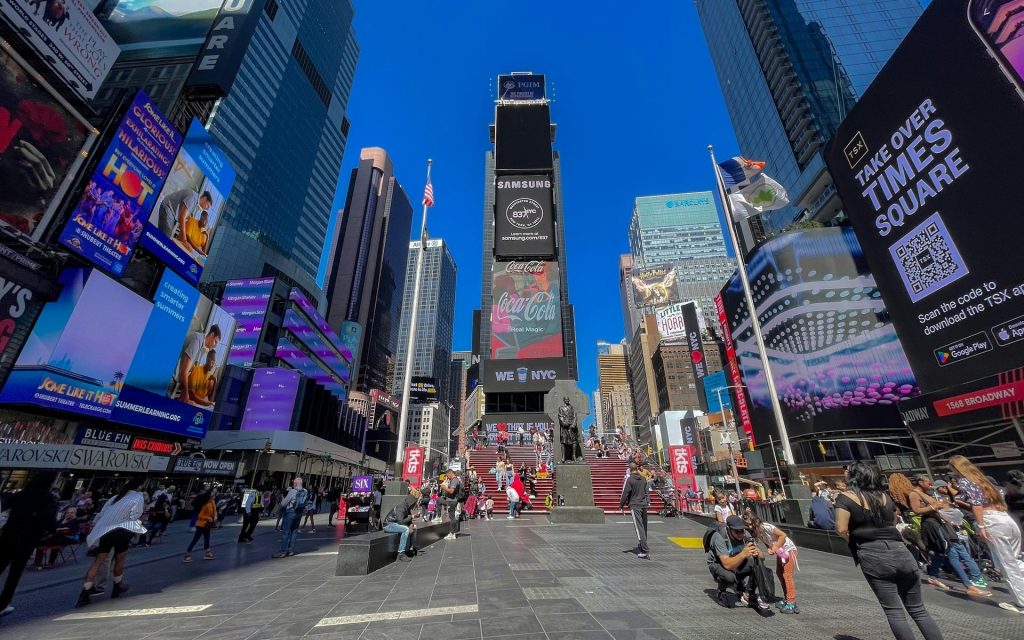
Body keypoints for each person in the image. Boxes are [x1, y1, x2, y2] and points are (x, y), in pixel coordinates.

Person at [835, 462, 944, 640]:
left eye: (848, 472)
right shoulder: (884, 496)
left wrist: (854, 540)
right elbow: (893, 522)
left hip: (872, 553)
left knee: (894, 611)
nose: (845, 474)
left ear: (855, 476)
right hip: (900, 550)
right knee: (918, 609)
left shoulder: (845, 498)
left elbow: (841, 528)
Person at [948, 455, 1024, 613]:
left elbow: (976, 503)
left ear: (957, 468)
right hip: (1006, 519)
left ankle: (1021, 602)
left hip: (992, 522)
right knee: (1016, 560)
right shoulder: (984, 480)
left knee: (1007, 564)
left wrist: (981, 526)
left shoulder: (964, 481)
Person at [906, 474, 990, 596]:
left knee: (940, 552)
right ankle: (968, 585)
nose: (930, 485)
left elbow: (936, 511)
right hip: (931, 525)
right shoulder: (914, 494)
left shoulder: (926, 493)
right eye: (928, 483)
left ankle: (933, 576)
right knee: (951, 551)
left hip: (939, 522)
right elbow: (916, 510)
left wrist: (948, 520)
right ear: (920, 482)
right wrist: (933, 506)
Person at [76, 481, 147, 608]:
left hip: (105, 531)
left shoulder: (115, 498)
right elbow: (136, 515)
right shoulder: (137, 497)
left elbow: (102, 513)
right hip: (121, 530)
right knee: (120, 560)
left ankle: (84, 592)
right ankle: (117, 586)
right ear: (139, 486)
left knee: (98, 561)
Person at [0, 471, 58, 616]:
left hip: (10, 533)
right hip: (28, 537)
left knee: (0, 564)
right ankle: (3, 603)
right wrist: (49, 530)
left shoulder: (21, 494)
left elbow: (5, 505)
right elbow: (49, 519)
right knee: (15, 572)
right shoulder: (49, 498)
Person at [706, 514, 769, 610]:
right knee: (730, 577)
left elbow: (762, 557)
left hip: (735, 562)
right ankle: (721, 591)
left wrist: (758, 553)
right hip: (718, 564)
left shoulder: (745, 535)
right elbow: (727, 564)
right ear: (729, 529)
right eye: (737, 531)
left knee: (757, 564)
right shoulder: (719, 537)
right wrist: (743, 554)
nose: (740, 534)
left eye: (742, 530)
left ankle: (749, 593)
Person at [742, 508, 799, 613]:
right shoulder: (757, 530)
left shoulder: (765, 526)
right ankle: (787, 599)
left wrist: (775, 547)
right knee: (780, 573)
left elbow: (783, 535)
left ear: (755, 520)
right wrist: (769, 547)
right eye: (747, 525)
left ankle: (792, 602)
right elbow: (767, 540)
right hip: (781, 552)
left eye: (750, 524)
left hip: (789, 550)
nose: (750, 527)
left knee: (787, 575)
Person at [176, 325, 221, 406]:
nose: (215, 345)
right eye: (215, 342)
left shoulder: (199, 342)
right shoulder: (197, 340)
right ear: (211, 335)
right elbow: (184, 371)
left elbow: (187, 368)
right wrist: (186, 395)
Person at [621, 462, 650, 559]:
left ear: (630, 469)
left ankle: (645, 550)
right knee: (644, 526)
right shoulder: (643, 478)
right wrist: (647, 502)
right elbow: (647, 492)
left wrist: (621, 505)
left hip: (635, 505)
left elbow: (625, 493)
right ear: (637, 469)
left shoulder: (630, 480)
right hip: (643, 504)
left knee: (639, 527)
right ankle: (642, 545)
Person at [273, 477, 308, 558]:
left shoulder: (293, 491)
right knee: (294, 531)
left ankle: (283, 551)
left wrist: (281, 503)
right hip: (299, 513)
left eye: (293, 483)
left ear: (295, 484)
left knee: (286, 531)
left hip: (291, 512)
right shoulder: (305, 491)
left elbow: (284, 504)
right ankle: (290, 550)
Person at [383, 487, 421, 559]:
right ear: (410, 503)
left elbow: (407, 520)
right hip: (388, 524)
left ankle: (412, 548)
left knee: (414, 528)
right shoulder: (401, 507)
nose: (414, 506)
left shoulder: (407, 508)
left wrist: (412, 525)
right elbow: (400, 521)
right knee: (405, 529)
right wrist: (412, 516)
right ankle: (401, 553)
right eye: (413, 504)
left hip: (395, 524)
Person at [184, 492, 217, 562]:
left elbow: (215, 510)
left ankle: (207, 553)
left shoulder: (212, 502)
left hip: (207, 524)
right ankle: (187, 554)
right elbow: (200, 516)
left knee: (207, 538)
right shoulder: (205, 504)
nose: (214, 497)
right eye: (213, 496)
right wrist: (208, 518)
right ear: (209, 497)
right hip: (201, 525)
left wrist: (215, 516)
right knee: (196, 539)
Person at [440, 470, 462, 540]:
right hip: (451, 500)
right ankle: (453, 533)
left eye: (447, 475)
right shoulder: (454, 480)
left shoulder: (454, 480)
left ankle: (452, 533)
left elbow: (451, 491)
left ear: (450, 473)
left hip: (451, 501)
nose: (447, 477)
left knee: (452, 517)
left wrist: (444, 487)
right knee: (452, 516)